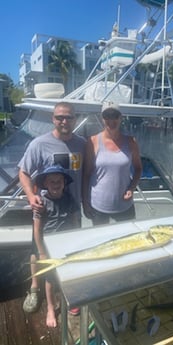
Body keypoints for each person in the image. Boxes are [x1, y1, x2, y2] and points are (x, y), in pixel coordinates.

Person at [18, 101, 85, 315]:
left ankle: (67, 291)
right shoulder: (39, 143)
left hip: (72, 208)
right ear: (52, 119)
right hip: (46, 209)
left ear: (75, 119)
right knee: (37, 252)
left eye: (68, 117)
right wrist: (31, 196)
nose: (64, 121)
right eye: (59, 117)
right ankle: (35, 288)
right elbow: (23, 172)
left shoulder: (82, 144)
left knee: (70, 253)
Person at [31, 165, 80, 327]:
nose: (56, 184)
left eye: (59, 181)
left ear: (64, 182)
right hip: (49, 247)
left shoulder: (70, 199)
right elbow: (37, 230)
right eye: (52, 181)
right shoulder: (41, 202)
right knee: (50, 279)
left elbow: (75, 223)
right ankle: (51, 308)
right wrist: (42, 252)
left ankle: (70, 300)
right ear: (45, 183)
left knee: (69, 274)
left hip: (67, 244)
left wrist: (76, 242)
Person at [83, 102, 142, 225]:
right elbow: (86, 174)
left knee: (128, 240)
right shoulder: (92, 141)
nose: (111, 120)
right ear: (102, 118)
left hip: (125, 206)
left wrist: (132, 188)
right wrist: (85, 201)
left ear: (121, 118)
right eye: (107, 116)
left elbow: (138, 169)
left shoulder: (131, 142)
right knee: (102, 241)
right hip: (98, 205)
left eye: (114, 116)